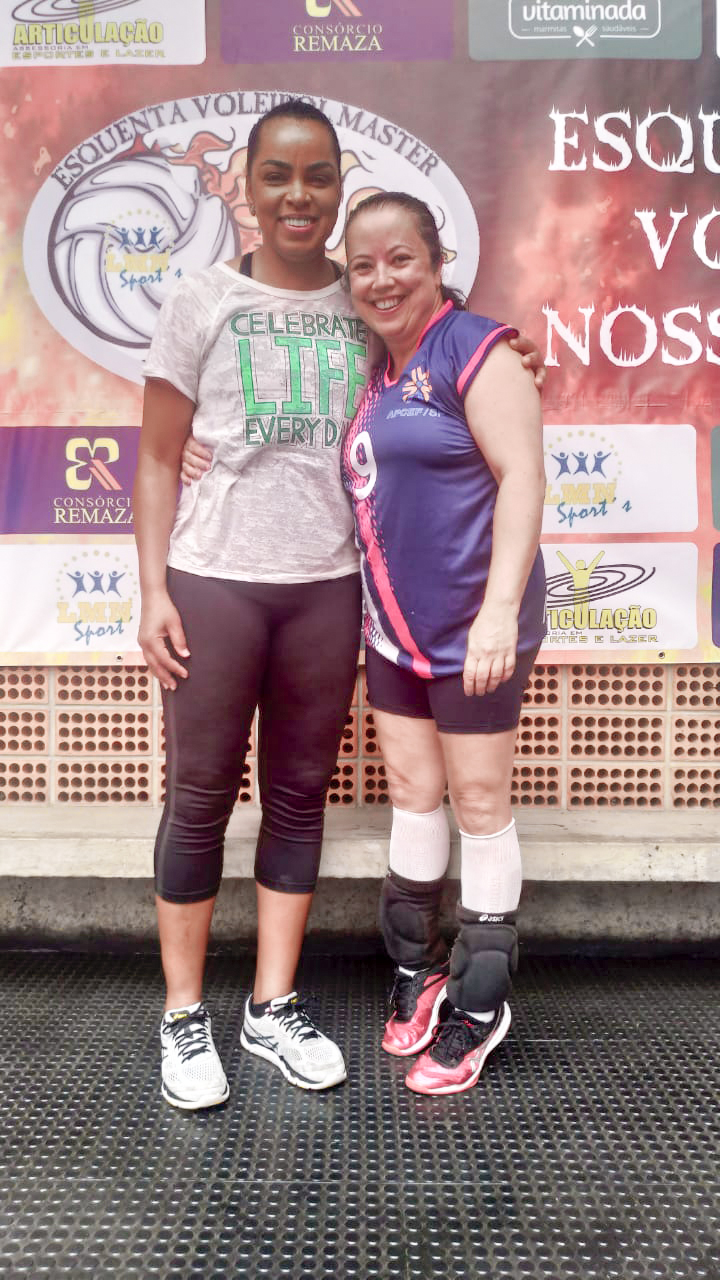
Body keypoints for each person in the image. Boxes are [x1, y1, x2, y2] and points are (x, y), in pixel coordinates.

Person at [139, 98, 545, 1109]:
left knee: (297, 797)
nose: (298, 194)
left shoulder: (368, 309)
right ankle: (183, 1014)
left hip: (329, 590)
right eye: (276, 174)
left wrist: (512, 356)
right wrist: (150, 587)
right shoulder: (203, 298)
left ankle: (272, 1005)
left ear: (337, 184)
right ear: (243, 184)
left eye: (317, 175)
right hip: (218, 579)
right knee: (199, 796)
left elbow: (450, 358)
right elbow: (156, 450)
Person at [340, 192, 546, 1096]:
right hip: (394, 629)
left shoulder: (478, 348)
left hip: (475, 628)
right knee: (414, 794)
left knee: (478, 800)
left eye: (400, 260)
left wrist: (498, 612)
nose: (382, 279)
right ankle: (417, 970)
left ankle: (481, 1002)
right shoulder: (373, 368)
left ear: (435, 261)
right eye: (364, 266)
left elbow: (523, 477)